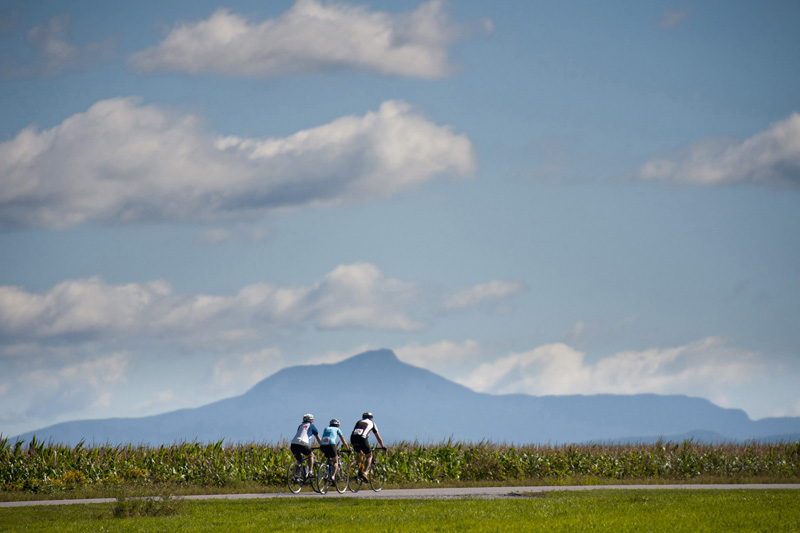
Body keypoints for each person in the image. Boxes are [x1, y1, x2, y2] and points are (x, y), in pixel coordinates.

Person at [350, 411, 384, 481]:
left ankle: (359, 471)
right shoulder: (372, 423)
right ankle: (365, 473)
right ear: (370, 418)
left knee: (359, 453)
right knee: (369, 455)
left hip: (353, 438)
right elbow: (378, 437)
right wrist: (382, 446)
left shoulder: (358, 422)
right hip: (362, 438)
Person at [290, 413, 321, 478]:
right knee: (311, 455)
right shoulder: (311, 426)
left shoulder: (300, 426)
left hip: (293, 444)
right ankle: (310, 472)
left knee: (299, 461)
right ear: (311, 420)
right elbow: (318, 438)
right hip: (303, 444)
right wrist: (322, 445)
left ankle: (295, 475)